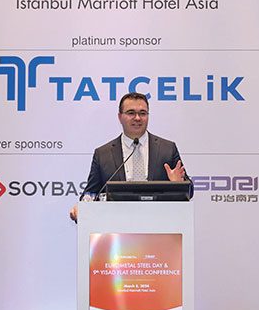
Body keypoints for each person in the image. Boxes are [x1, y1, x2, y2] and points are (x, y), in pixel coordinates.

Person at [69, 92, 188, 222]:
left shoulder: (167, 149)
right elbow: (91, 193)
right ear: (120, 117)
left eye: (143, 113)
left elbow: (189, 190)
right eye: (131, 113)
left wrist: (179, 185)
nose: (137, 118)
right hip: (117, 226)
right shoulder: (103, 154)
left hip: (159, 224)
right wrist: (82, 207)